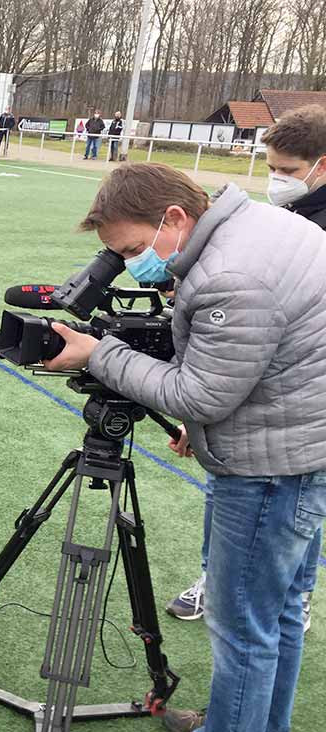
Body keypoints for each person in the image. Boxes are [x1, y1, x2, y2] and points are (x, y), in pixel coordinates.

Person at [43, 162, 326, 732]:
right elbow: (238, 371)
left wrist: (99, 355)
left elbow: (200, 394)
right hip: (300, 444)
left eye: (135, 249)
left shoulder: (231, 272)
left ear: (174, 218)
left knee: (242, 619)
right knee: (277, 611)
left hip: (272, 466)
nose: (135, 264)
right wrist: (201, 422)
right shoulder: (255, 225)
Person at [166, 104, 326, 630]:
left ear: (320, 166)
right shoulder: (293, 217)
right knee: (248, 498)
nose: (276, 180)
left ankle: (287, 592)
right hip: (263, 408)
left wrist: (202, 404)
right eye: (272, 167)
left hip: (295, 411)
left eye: (286, 170)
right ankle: (228, 580)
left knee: (287, 509)